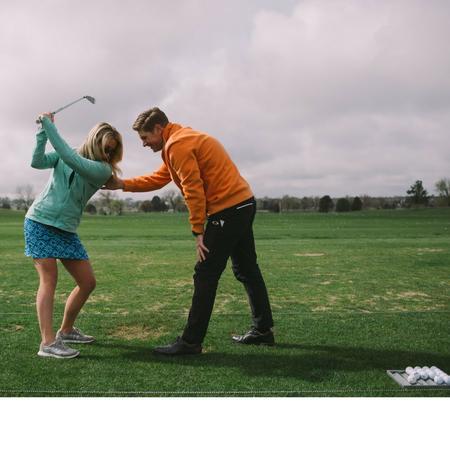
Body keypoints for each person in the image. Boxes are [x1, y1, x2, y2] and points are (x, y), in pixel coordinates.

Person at [104, 107, 274, 355]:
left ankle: (190, 342)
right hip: (243, 204)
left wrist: (198, 231)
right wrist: (122, 184)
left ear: (158, 129)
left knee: (205, 274)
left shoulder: (178, 145)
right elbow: (159, 178)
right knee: (247, 269)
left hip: (228, 210)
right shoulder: (180, 139)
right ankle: (263, 331)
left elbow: (193, 188)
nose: (144, 144)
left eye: (145, 137)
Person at [25, 113, 123, 359]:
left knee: (87, 282)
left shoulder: (102, 170)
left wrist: (48, 125)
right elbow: (37, 162)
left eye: (112, 151)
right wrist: (42, 133)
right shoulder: (68, 152)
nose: (108, 154)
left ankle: (66, 330)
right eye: (105, 148)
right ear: (94, 141)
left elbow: (71, 159)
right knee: (49, 280)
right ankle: (48, 343)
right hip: (39, 220)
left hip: (66, 229)